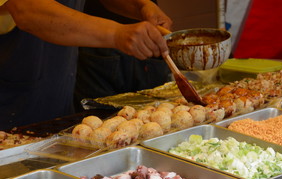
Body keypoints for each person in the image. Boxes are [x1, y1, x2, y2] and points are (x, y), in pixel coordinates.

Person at [0, 0, 172, 130]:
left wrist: (140, 5)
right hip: (9, 102)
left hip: (56, 92)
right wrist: (116, 34)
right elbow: (26, 9)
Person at [74, 0, 171, 112]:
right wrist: (116, 34)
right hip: (98, 47)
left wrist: (141, 6)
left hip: (149, 43)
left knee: (158, 117)